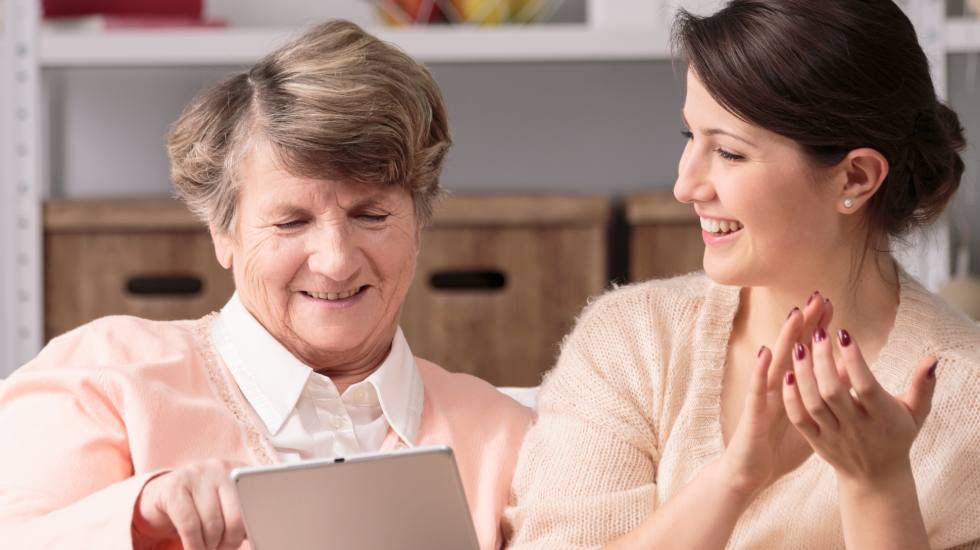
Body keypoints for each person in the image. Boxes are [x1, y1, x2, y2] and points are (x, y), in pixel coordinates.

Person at [0, 20, 530, 550]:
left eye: (370, 215)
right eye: (291, 222)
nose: (336, 262)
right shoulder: (103, 379)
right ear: (223, 233)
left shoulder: (513, 439)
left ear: (418, 223)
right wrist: (139, 514)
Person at [505, 1, 980, 548]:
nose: (686, 186)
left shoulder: (964, 403)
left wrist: (877, 485)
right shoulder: (632, 343)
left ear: (855, 177)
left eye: (729, 153)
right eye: (691, 139)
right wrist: (735, 478)